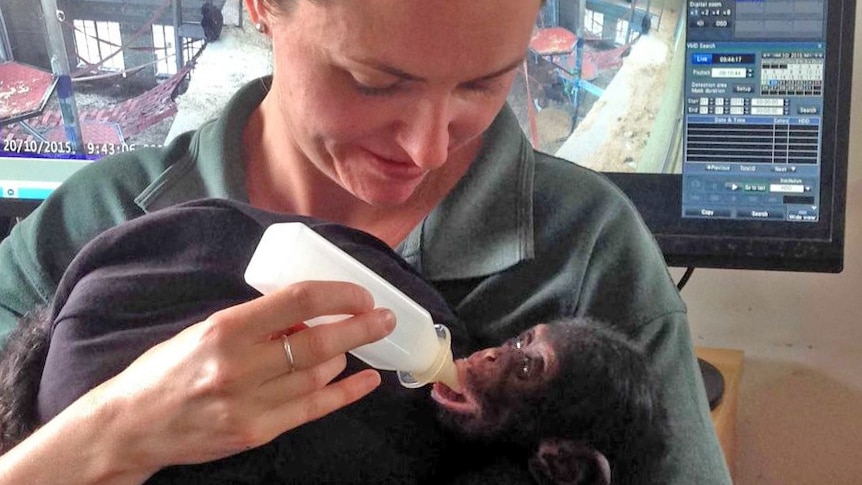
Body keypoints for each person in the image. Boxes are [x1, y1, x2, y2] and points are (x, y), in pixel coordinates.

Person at [0, 0, 731, 483]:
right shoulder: (96, 222)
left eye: (483, 86)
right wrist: (106, 437)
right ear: (260, 8)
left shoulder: (588, 254)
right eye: (373, 81)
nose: (425, 146)